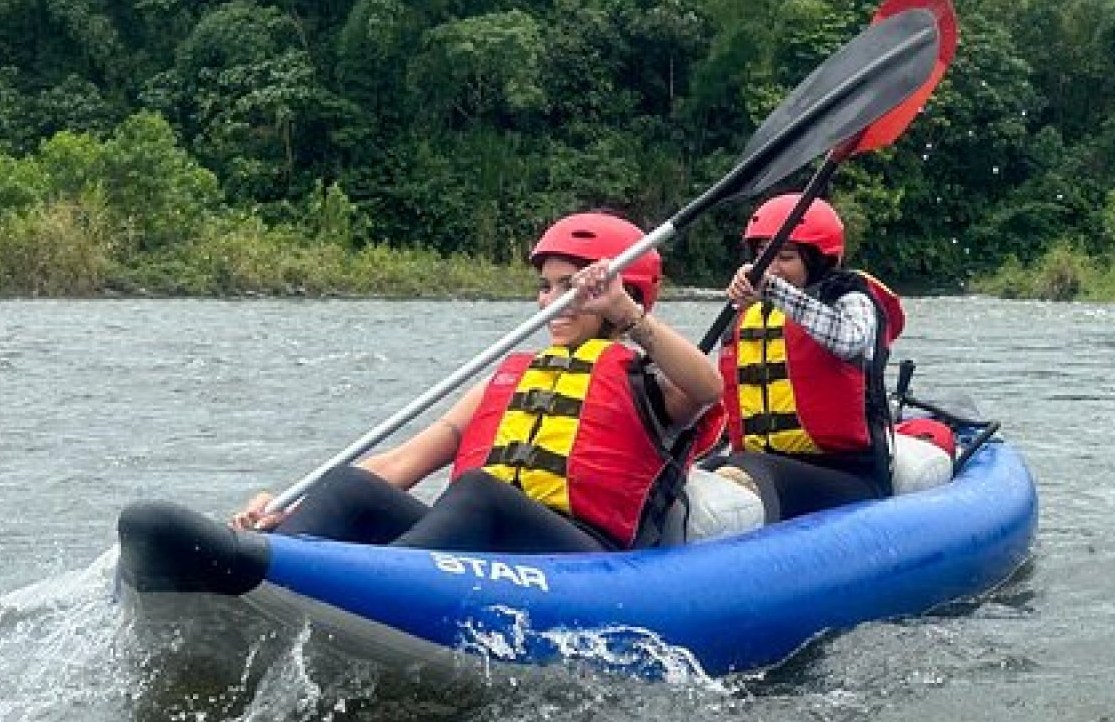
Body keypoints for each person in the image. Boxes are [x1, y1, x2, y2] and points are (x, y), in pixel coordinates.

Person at [231, 212, 724, 553]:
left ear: (624, 293)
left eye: (571, 288)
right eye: (546, 286)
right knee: (349, 485)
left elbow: (708, 388)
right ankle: (273, 558)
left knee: (479, 492)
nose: (549, 301)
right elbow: (403, 462)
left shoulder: (653, 381)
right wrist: (291, 507)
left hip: (581, 555)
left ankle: (377, 587)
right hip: (478, 539)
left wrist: (628, 314)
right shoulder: (510, 378)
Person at [711, 195, 904, 520]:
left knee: (749, 468)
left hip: (848, 477)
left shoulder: (851, 297)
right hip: (767, 468)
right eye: (762, 256)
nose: (770, 268)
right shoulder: (749, 312)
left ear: (817, 259)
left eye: (784, 257)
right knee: (709, 469)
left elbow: (849, 341)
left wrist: (772, 289)